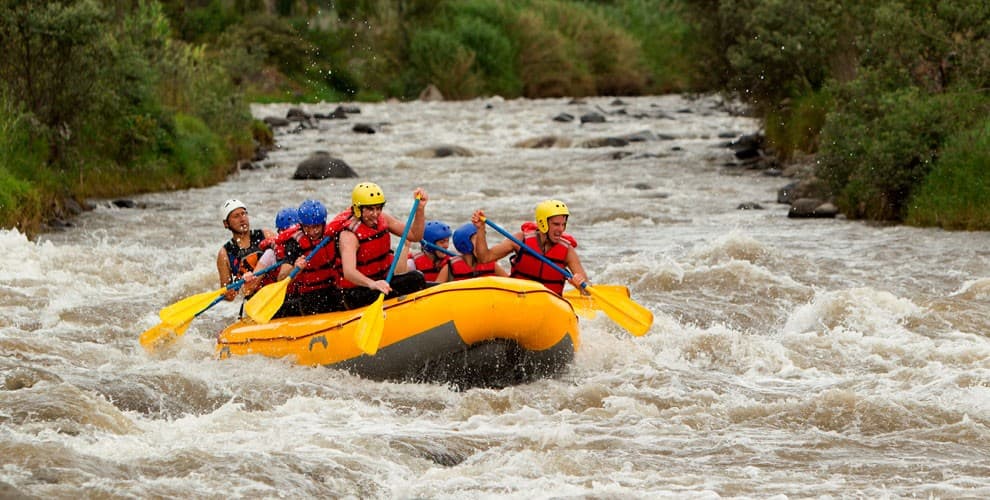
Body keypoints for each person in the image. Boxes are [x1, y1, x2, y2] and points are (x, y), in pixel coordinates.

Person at [336, 182, 429, 309]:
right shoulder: (349, 235)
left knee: (416, 278)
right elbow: (349, 272)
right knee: (415, 279)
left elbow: (414, 235)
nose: (376, 214)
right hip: (358, 292)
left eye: (378, 208)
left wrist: (420, 210)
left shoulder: (383, 218)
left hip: (382, 283)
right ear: (358, 209)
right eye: (370, 209)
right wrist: (372, 284)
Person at [471, 199, 588, 295]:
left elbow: (587, 291)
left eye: (563, 224)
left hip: (548, 308)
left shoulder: (567, 251)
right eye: (556, 224)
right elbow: (485, 258)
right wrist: (481, 229)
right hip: (518, 300)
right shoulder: (520, 240)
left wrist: (579, 285)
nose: (561, 229)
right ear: (543, 223)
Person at [272, 199, 345, 317]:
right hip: (309, 296)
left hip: (333, 288)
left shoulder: (332, 236)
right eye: (307, 227)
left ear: (323, 223)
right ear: (301, 225)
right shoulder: (294, 244)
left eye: (316, 227)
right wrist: (295, 269)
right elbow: (281, 278)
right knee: (315, 305)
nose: (312, 232)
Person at [216, 199, 276, 302]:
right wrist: (230, 291)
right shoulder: (224, 253)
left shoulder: (266, 235)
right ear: (226, 223)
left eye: (243, 214)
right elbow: (228, 297)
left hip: (274, 290)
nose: (242, 219)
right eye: (236, 216)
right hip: (253, 300)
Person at [435, 223, 508, 282]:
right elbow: (434, 292)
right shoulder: (449, 269)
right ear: (465, 244)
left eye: (482, 239)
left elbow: (511, 283)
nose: (482, 244)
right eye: (478, 240)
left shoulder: (493, 265)